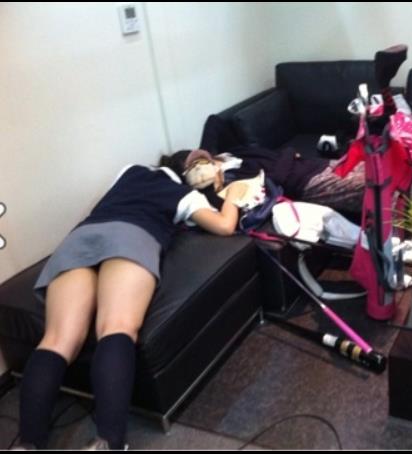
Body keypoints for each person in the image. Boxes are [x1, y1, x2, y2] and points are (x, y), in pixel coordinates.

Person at [15, 155, 247, 450]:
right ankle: (109, 443)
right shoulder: (185, 195)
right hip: (132, 236)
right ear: (186, 172)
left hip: (80, 237)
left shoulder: (129, 171)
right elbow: (225, 226)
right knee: (117, 327)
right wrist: (233, 195)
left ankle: (27, 444)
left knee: (57, 340)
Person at [161, 146, 366, 215]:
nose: (202, 165)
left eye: (201, 160)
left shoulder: (232, 153)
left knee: (377, 164)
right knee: (373, 187)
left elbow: (214, 121)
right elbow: (275, 178)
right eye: (196, 167)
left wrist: (208, 154)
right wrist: (289, 153)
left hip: (317, 164)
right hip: (307, 182)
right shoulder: (229, 181)